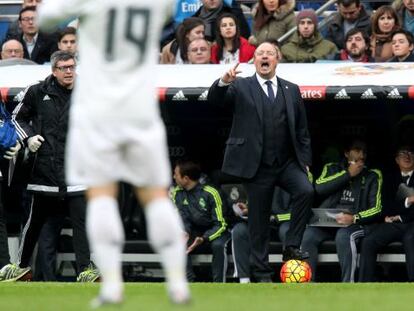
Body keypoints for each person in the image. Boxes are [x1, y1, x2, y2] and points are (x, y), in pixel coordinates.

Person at [37, 0, 190, 306]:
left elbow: (45, 18)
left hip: (99, 112)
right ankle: (177, 282)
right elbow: (169, 12)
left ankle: (112, 287)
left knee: (101, 196)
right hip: (140, 111)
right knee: (156, 197)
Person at [208, 41, 314, 282]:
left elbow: (302, 130)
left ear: (277, 60)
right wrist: (224, 81)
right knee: (258, 222)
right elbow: (215, 100)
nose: (264, 57)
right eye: (260, 54)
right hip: (257, 165)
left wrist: (305, 162)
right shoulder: (241, 85)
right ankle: (262, 273)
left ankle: (292, 246)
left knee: (306, 190)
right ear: (254, 60)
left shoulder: (291, 89)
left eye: (269, 53)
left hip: (287, 162)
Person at [0, 51, 97, 283]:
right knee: (33, 224)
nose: (69, 71)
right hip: (43, 170)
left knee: (81, 222)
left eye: (72, 67)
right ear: (54, 70)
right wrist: (29, 138)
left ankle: (85, 270)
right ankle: (20, 266)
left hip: (77, 169)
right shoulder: (37, 90)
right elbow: (15, 118)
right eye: (63, 68)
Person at [300, 139, 382, 282]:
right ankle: (307, 284)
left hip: (355, 223)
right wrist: (348, 174)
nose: (360, 154)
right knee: (308, 235)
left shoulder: (373, 175)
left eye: (363, 151)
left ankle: (347, 285)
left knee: (344, 236)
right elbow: (318, 189)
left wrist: (354, 218)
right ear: (346, 153)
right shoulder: (331, 168)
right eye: (356, 149)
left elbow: (377, 209)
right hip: (328, 222)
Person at [359, 145, 414, 282]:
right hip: (394, 223)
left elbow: (394, 209)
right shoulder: (389, 178)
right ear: (396, 159)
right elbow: (386, 207)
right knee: (368, 242)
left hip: (410, 223)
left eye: (410, 153)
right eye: (402, 153)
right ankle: (364, 285)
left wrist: (401, 215)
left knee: (410, 240)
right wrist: (409, 200)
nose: (407, 156)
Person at [172, 160, 230, 282]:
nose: (174, 177)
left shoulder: (211, 193)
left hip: (216, 231)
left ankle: (219, 284)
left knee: (218, 245)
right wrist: (184, 232)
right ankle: (189, 282)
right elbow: (182, 218)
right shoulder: (177, 193)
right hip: (195, 231)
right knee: (179, 241)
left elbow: (221, 224)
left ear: (186, 178)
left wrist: (204, 238)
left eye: (176, 174)